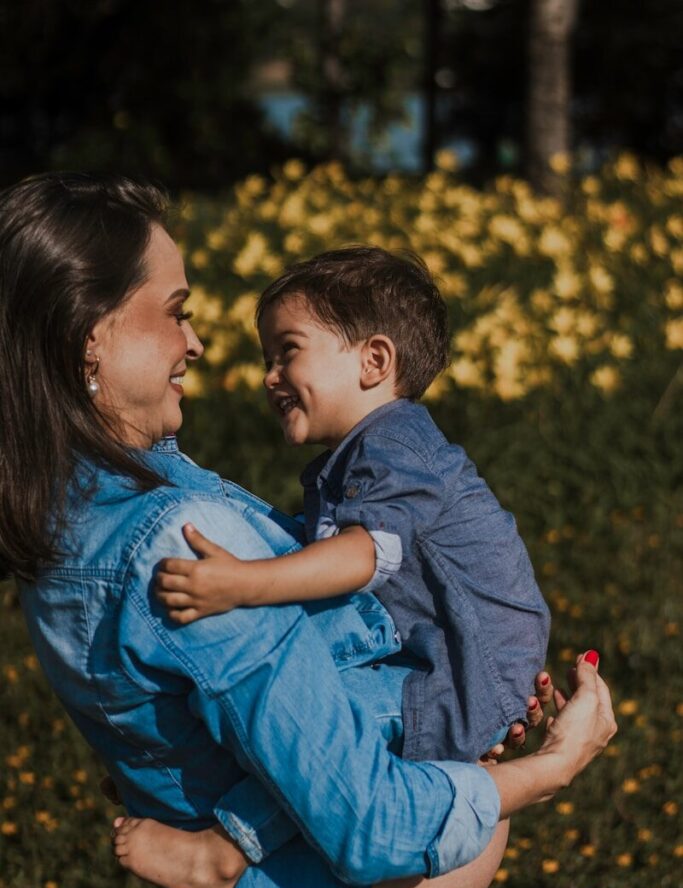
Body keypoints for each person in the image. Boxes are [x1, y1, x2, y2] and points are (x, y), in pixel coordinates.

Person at [0, 172, 617, 888]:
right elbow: (367, 821)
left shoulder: (66, 529)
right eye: (175, 309)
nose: (198, 344)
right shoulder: (182, 539)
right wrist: (549, 771)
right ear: (91, 336)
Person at [150, 246, 551, 765]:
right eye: (266, 360)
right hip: (438, 667)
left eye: (287, 352)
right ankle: (182, 769)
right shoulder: (369, 450)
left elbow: (365, 555)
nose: (269, 377)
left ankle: (220, 837)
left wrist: (244, 583)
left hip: (456, 683)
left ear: (374, 361)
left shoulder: (394, 445)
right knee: (267, 704)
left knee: (300, 728)